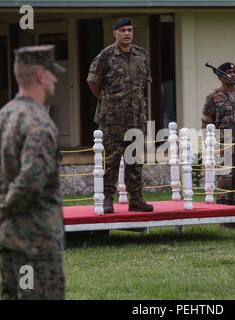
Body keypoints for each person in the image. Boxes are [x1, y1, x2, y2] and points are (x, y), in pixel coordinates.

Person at [0, 45, 66, 299]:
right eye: (52, 72)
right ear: (40, 75)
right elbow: (31, 180)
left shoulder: (1, 118)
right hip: (36, 242)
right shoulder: (39, 122)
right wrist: (3, 206)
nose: (56, 78)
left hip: (7, 238)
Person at [87, 17, 153, 213]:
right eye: (123, 30)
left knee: (134, 160)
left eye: (130, 30)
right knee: (111, 161)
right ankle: (107, 199)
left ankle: (136, 199)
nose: (127, 33)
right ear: (115, 33)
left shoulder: (142, 55)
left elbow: (145, 83)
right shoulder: (105, 56)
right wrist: (110, 100)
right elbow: (93, 82)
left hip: (136, 117)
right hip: (112, 120)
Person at [201, 62, 235, 229]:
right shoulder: (213, 97)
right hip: (222, 145)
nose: (233, 74)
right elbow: (206, 124)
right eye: (229, 72)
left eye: (234, 71)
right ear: (220, 76)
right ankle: (224, 218)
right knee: (224, 182)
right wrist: (208, 147)